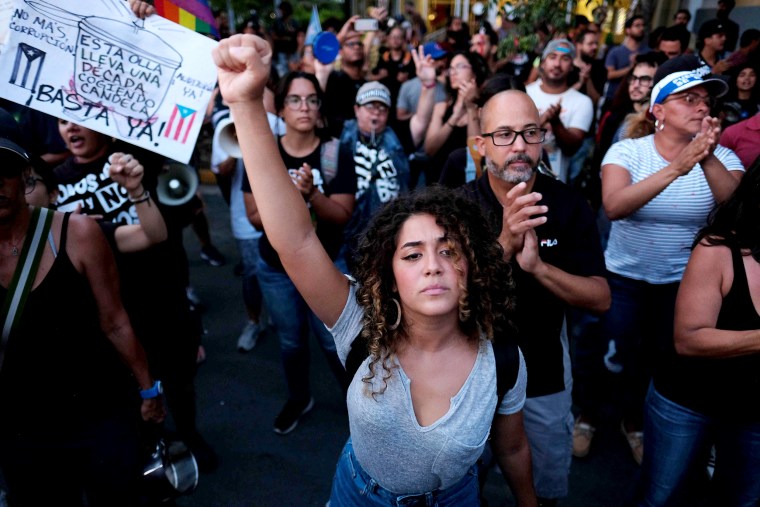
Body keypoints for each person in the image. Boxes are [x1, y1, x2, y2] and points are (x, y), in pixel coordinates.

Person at [212, 33, 538, 507]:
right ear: (389, 275)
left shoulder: (504, 358)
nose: (432, 265)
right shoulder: (360, 325)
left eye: (449, 251)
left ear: (474, 265)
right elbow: (297, 241)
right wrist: (244, 102)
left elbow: (512, 446)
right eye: (411, 254)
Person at [575, 55, 744, 466]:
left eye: (706, 100)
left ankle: (634, 422)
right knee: (611, 357)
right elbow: (614, 206)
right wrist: (677, 167)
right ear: (658, 110)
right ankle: (588, 416)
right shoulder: (628, 152)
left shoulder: (723, 159)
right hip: (625, 279)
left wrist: (703, 156)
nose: (703, 106)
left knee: (660, 361)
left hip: (684, 286)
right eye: (689, 98)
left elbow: (737, 212)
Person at [0, 113, 165, 506]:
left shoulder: (78, 233)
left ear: (25, 176)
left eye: (3, 168)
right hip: (21, 427)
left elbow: (115, 320)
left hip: (99, 413)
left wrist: (149, 388)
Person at [461, 87, 610, 507]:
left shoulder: (568, 204)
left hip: (544, 372)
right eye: (504, 134)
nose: (520, 146)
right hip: (469, 373)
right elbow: (448, 301)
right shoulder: (457, 208)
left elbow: (600, 299)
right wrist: (505, 243)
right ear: (481, 144)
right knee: (463, 485)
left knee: (543, 490)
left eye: (530, 132)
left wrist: (541, 269)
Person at [635, 155, 760, 507]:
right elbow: (689, 338)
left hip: (753, 409)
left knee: (743, 499)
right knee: (661, 496)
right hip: (689, 400)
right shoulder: (719, 248)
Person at [244, 72, 356, 435]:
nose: (304, 107)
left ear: (320, 106)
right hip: (276, 268)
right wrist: (290, 197)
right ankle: (298, 397)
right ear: (281, 106)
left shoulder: (335, 150)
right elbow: (255, 217)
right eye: (294, 99)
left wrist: (312, 195)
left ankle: (359, 406)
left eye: (311, 99)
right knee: (291, 338)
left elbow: (341, 215)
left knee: (334, 339)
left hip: (326, 263)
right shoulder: (265, 152)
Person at [336, 81, 410, 273]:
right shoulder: (338, 136)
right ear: (356, 109)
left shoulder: (399, 139)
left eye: (382, 108)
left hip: (389, 235)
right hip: (347, 237)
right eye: (370, 106)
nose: (376, 113)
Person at [527, 39, 594, 183]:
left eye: (565, 59)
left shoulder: (582, 102)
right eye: (552, 57)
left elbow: (571, 148)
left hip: (555, 184)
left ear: (571, 66)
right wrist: (541, 121)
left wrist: (556, 123)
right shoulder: (524, 94)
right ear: (543, 62)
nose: (557, 64)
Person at [424, 51, 489, 185]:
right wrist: (454, 117)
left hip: (468, 185)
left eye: (460, 67)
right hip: (438, 182)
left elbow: (477, 154)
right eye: (451, 68)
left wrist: (471, 108)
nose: (453, 73)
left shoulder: (484, 109)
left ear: (475, 71)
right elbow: (429, 149)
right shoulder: (442, 107)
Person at [604, 16, 649, 102]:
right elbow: (610, 75)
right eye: (637, 25)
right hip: (614, 98)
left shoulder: (648, 52)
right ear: (628, 30)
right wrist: (631, 67)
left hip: (638, 99)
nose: (641, 28)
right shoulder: (615, 51)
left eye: (643, 25)